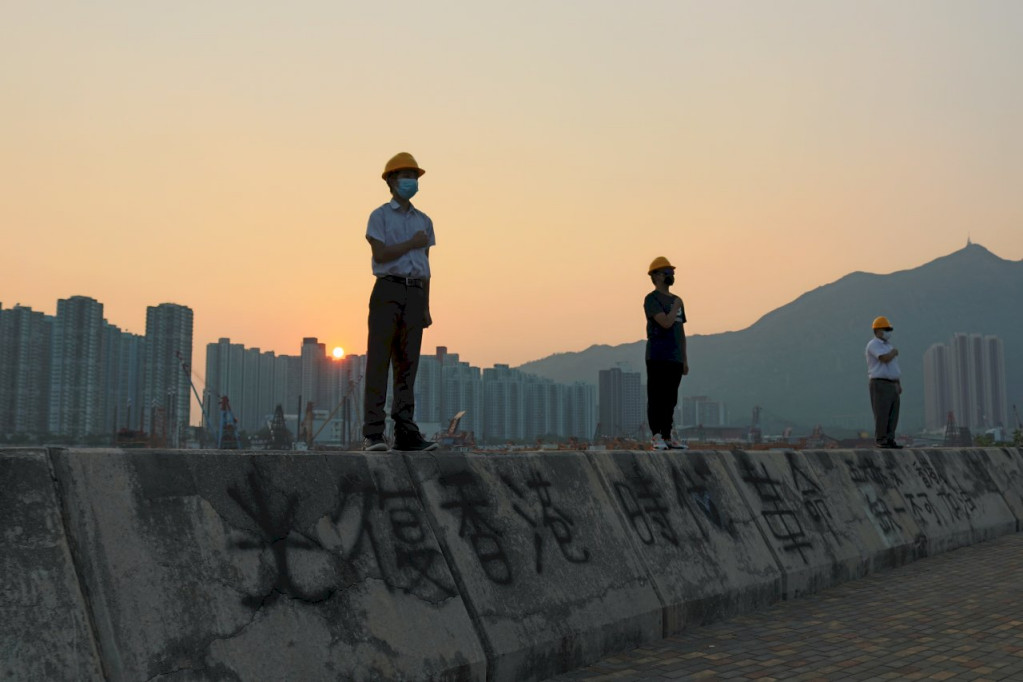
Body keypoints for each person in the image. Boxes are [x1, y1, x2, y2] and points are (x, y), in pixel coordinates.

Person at [362, 152, 438, 452]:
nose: (410, 181)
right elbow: (380, 255)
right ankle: (373, 434)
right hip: (387, 290)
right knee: (379, 362)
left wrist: (426, 306)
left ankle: (406, 433)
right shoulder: (378, 216)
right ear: (391, 181)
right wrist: (410, 243)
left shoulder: (425, 221)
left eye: (414, 176)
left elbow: (426, 266)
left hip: (415, 293)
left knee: (408, 367)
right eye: (405, 176)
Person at [644, 257, 689, 450]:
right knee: (657, 397)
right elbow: (665, 323)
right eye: (666, 272)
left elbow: (680, 331)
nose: (671, 275)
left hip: (675, 358)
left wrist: (684, 359)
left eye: (672, 272)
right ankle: (656, 436)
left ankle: (667, 435)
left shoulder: (677, 300)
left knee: (671, 399)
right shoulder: (652, 299)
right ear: (656, 276)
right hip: (657, 356)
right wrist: (676, 306)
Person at [865, 315, 903, 449]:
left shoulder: (888, 345)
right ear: (878, 331)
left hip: (892, 384)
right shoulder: (874, 344)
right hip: (880, 383)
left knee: (893, 413)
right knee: (882, 412)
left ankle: (890, 439)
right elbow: (884, 359)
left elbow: (893, 367)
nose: (888, 332)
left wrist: (898, 383)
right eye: (886, 329)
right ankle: (881, 439)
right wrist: (893, 353)